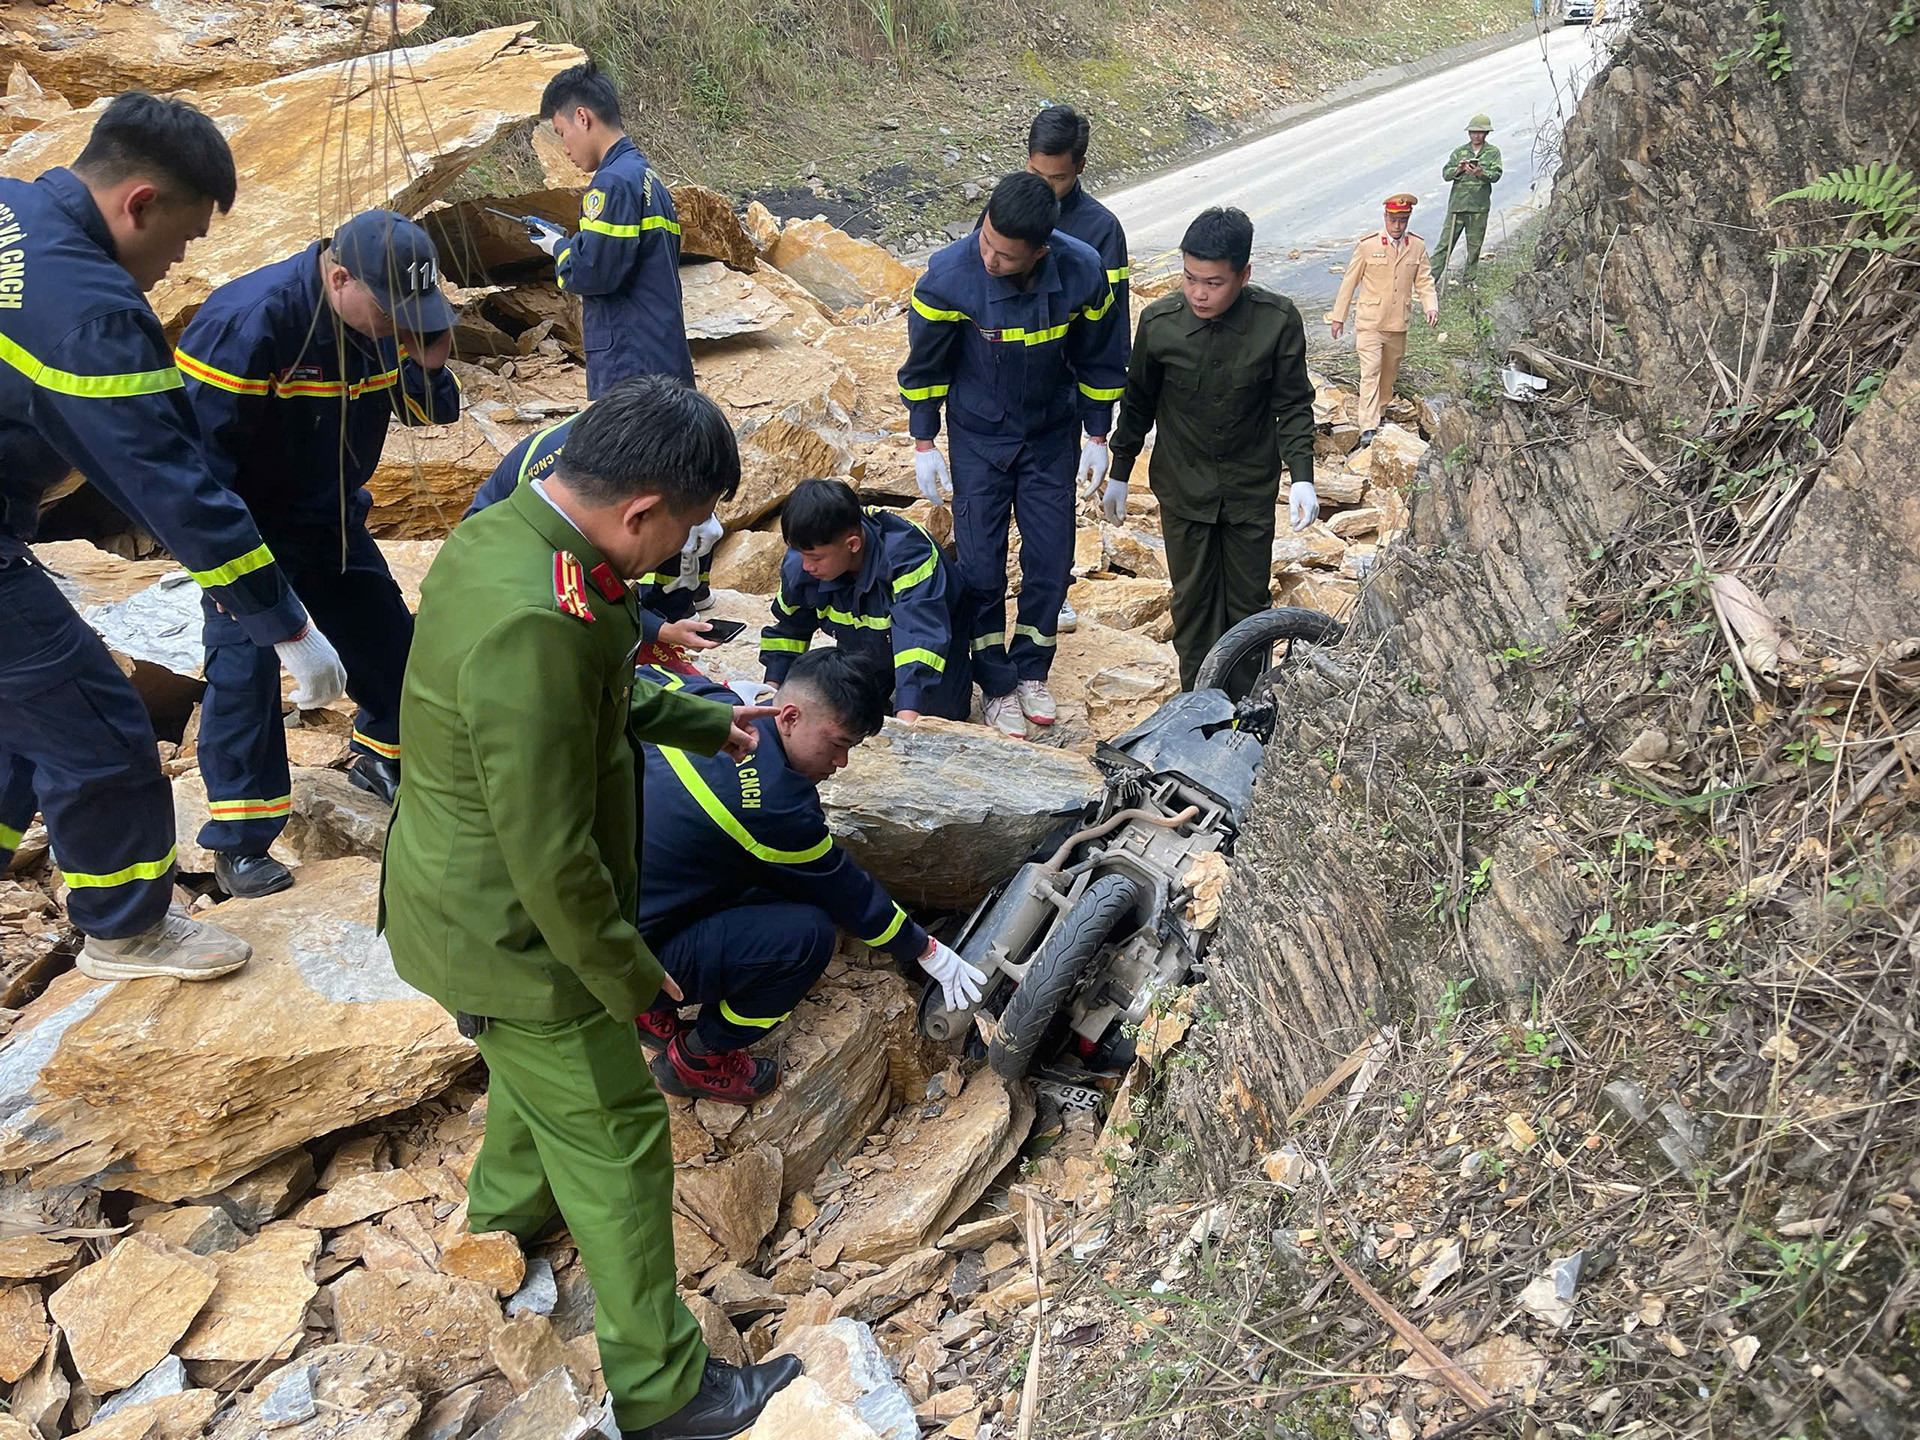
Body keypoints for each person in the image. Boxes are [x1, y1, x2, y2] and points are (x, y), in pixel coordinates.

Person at [380, 376, 800, 1440]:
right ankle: (666, 1393)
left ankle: (503, 1223)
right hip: (510, 928)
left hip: (456, 897)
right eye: (687, 530)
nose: (679, 554)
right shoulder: (541, 618)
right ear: (641, 512)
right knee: (616, 1134)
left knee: (537, 1080)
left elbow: (589, 689)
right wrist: (626, 971)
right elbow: (551, 852)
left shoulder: (514, 536)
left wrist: (707, 722)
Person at [0, 93, 349, 981]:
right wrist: (287, 626)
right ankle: (127, 929)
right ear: (140, 203)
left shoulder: (10, 208)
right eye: (183, 241)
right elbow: (177, 492)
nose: (175, 266)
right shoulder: (91, 314)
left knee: (17, 721)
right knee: (99, 728)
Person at [174, 210, 461, 898]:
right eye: (393, 310)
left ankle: (380, 755)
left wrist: (428, 360)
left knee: (392, 647)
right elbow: (191, 470)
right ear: (338, 277)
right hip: (243, 528)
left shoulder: (382, 322)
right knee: (244, 679)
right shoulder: (251, 324)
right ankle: (239, 844)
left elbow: (431, 415)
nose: (399, 322)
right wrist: (236, 579)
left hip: (330, 517)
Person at [636, 648, 986, 1104]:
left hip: (591, 913)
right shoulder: (776, 806)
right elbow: (847, 893)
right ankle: (699, 1057)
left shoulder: (693, 697)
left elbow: (642, 674)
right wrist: (925, 949)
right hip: (624, 964)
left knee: (754, 875)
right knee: (807, 938)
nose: (840, 763)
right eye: (837, 743)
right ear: (789, 716)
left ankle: (650, 1012)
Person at [897, 172, 1125, 739]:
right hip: (979, 437)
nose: (991, 257)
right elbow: (926, 366)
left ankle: (1030, 668)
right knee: (980, 565)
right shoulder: (950, 278)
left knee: (1050, 560)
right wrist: (924, 441)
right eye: (987, 243)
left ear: (1040, 251)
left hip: (1051, 434)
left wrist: (1099, 434)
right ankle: (995, 682)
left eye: (1006, 255)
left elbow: (1100, 356)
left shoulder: (1082, 272)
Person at [1107, 208, 1317, 692]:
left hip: (1249, 488)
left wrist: (1301, 474)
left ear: (1243, 275)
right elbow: (1137, 403)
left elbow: (1293, 403)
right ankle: (1196, 708)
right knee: (1192, 604)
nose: (1199, 293)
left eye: (1214, 282)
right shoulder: (1160, 324)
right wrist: (1120, 468)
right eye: (1189, 278)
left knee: (1247, 606)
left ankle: (1244, 711)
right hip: (1184, 489)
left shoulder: (1277, 321)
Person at [463, 396, 726, 671]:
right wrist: (653, 627)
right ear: (638, 512)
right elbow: (584, 589)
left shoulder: (623, 451)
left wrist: (660, 628)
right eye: (685, 529)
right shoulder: (543, 605)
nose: (683, 541)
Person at [1024, 103, 1131, 640]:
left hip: (1064, 390)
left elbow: (1109, 333)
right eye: (1037, 175)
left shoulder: (1100, 230)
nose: (1046, 188)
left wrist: (1099, 426)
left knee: (1051, 500)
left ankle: (1051, 593)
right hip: (1003, 385)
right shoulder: (1010, 208)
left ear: (1080, 168)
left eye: (1058, 179)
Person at [531, 63, 693, 398]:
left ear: (582, 118)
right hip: (660, 356)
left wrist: (559, 248)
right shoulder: (646, 177)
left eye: (562, 133)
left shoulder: (612, 184)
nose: (564, 149)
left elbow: (594, 272)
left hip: (630, 367)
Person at [758, 479, 971, 721]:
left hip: (937, 631)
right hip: (864, 640)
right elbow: (789, 630)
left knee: (941, 714)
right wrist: (772, 696)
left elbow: (920, 639)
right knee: (847, 711)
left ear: (853, 545)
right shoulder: (803, 562)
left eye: (815, 558)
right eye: (801, 554)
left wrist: (906, 724)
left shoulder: (908, 558)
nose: (807, 566)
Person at [1325, 193, 1439, 446]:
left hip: (1398, 323)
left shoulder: (1417, 246)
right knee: (1370, 372)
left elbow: (1424, 280)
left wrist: (1431, 306)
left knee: (1389, 373)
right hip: (1370, 322)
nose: (1397, 226)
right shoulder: (1368, 246)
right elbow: (1349, 283)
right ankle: (1368, 426)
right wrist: (1338, 317)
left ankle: (1381, 412)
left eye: (1403, 221)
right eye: (1393, 220)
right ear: (1385, 217)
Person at [1432, 115, 1503, 289]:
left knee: (1474, 246)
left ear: (1486, 133)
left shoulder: (1493, 152)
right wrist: (1459, 169)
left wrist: (1480, 173)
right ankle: (1429, 282)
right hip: (1458, 206)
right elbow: (1446, 174)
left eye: (1479, 132)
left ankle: (1469, 281)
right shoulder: (1459, 152)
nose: (1475, 136)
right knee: (1444, 245)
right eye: (1473, 132)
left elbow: (1496, 175)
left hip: (1479, 207)